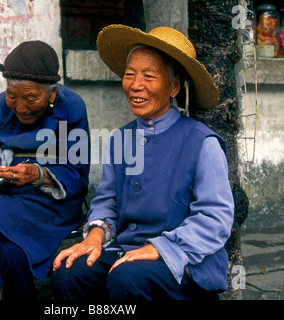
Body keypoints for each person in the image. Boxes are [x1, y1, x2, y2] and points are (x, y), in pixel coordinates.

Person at [51, 25, 234, 300]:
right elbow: (107, 201)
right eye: (129, 75)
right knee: (69, 273)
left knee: (126, 279)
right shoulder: (120, 139)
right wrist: (95, 236)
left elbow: (215, 218)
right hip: (127, 251)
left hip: (187, 260)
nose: (136, 85)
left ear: (174, 86)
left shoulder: (202, 142)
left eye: (149, 76)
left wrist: (162, 248)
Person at [0, 40, 90, 300]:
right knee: (12, 253)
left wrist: (40, 175)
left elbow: (77, 174)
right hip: (7, 200)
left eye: (31, 97)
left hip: (52, 206)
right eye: (12, 95)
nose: (20, 107)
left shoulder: (72, 107)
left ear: (52, 94)